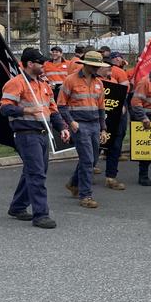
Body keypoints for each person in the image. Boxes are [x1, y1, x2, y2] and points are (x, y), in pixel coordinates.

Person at [2, 48, 70, 229]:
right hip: (26, 134)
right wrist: (25, 110)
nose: (44, 65)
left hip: (42, 134)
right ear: (30, 64)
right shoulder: (16, 83)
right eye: (40, 62)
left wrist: (62, 127)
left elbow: (53, 110)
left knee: (33, 172)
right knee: (37, 174)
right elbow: (5, 108)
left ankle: (17, 207)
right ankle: (41, 215)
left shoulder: (44, 85)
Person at [58, 51, 110, 208]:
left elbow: (101, 108)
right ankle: (85, 195)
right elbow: (61, 104)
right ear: (86, 64)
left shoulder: (99, 83)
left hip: (95, 124)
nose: (97, 68)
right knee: (87, 160)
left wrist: (103, 129)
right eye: (94, 65)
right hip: (80, 125)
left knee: (93, 159)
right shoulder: (70, 80)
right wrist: (71, 122)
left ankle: (74, 183)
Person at [97, 57, 128, 191]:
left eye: (111, 66)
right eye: (107, 66)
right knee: (94, 149)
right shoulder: (95, 82)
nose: (110, 69)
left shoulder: (113, 81)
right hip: (98, 120)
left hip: (115, 121)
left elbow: (120, 99)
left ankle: (111, 177)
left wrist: (122, 106)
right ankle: (79, 179)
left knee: (115, 147)